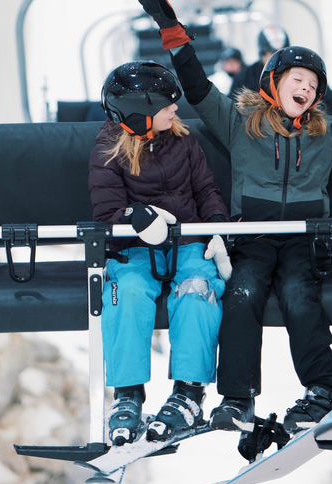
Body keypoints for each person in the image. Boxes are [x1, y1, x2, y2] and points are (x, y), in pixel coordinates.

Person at [138, 0, 332, 433]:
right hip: (254, 236)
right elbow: (197, 87)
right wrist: (170, 27)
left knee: (298, 296)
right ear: (274, 83)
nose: (304, 88)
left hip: (307, 239)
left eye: (312, 85)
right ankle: (237, 396)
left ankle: (326, 386)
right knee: (243, 292)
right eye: (296, 79)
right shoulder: (239, 123)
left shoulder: (327, 132)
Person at [88, 61, 232, 445]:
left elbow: (206, 191)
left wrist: (217, 229)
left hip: (187, 244)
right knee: (127, 296)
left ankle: (188, 393)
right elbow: (106, 214)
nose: (176, 110)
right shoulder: (108, 148)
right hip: (133, 252)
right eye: (168, 106)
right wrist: (137, 218)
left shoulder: (183, 141)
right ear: (141, 112)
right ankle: (127, 394)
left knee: (198, 290)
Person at [228, 25, 289, 98]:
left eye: (282, 54)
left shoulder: (294, 74)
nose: (279, 59)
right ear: (262, 54)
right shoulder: (245, 76)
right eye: (273, 54)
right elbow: (232, 103)